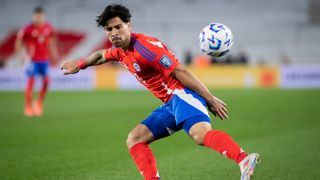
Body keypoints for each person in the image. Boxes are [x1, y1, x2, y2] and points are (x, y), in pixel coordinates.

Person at [60, 4, 260, 180]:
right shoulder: (121, 50)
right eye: (109, 29)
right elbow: (101, 55)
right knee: (135, 138)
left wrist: (209, 98)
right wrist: (79, 64)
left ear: (129, 25)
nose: (114, 33)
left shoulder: (146, 49)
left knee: (199, 135)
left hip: (182, 95)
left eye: (118, 27)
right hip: (171, 103)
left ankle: (244, 159)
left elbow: (180, 70)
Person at [15, 6, 58, 117]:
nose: (38, 18)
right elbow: (18, 41)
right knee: (31, 82)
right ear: (34, 16)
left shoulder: (48, 27)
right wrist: (20, 55)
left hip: (44, 59)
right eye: (37, 16)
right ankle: (28, 107)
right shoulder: (27, 29)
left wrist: (54, 56)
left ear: (43, 16)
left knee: (47, 81)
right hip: (32, 60)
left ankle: (38, 103)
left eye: (40, 16)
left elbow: (51, 42)